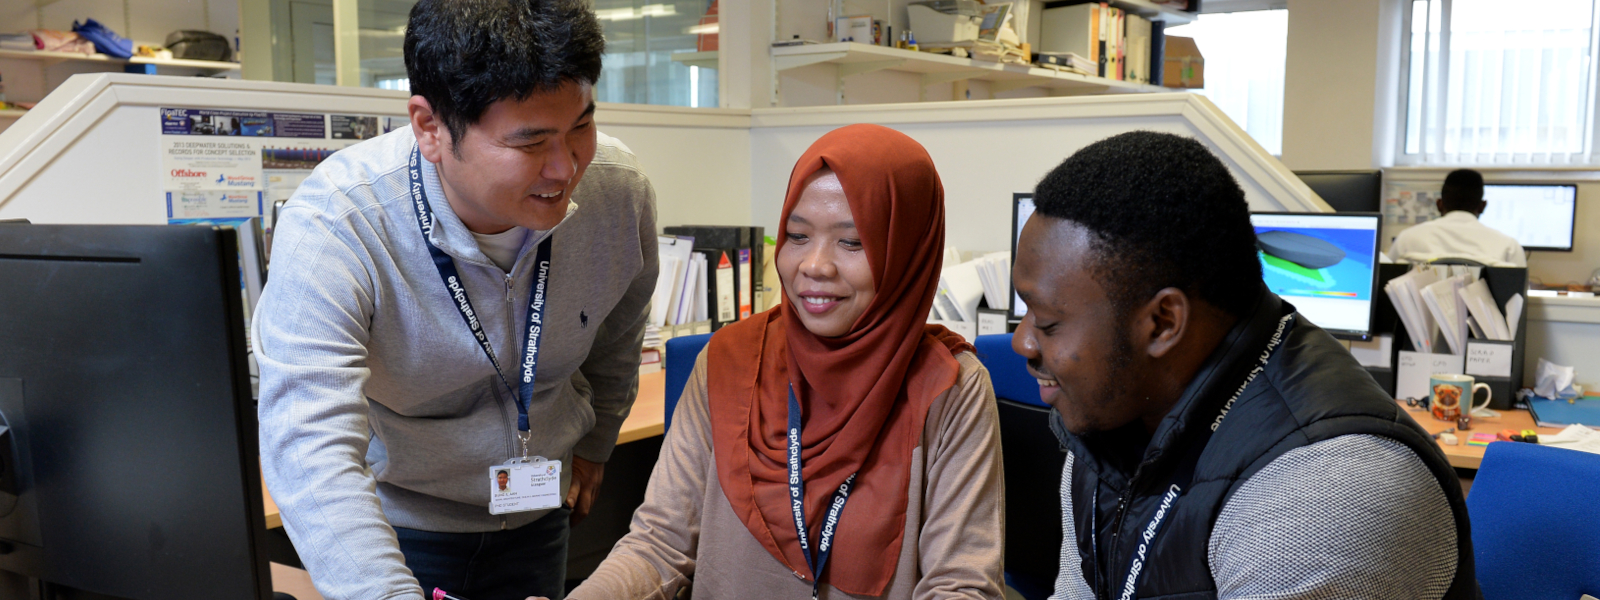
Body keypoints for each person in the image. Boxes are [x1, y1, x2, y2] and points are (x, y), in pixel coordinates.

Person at [253, 0, 657, 598]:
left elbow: (620, 328)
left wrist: (597, 445)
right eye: (530, 142)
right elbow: (309, 444)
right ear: (429, 127)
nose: (565, 167)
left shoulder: (618, 193)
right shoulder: (340, 221)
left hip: (540, 510)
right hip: (395, 525)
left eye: (581, 126)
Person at [1011, 131, 1480, 600]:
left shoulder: (1325, 488)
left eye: (1048, 322)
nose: (1021, 342)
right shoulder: (1105, 419)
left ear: (1163, 322)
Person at [558, 124, 1005, 600]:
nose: (815, 265)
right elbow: (659, 546)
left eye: (852, 243)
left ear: (906, 251)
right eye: (797, 235)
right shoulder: (728, 361)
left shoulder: (950, 388)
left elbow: (962, 587)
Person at [1389, 168, 1526, 266]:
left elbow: (1385, 283)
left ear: (1439, 204)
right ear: (1483, 206)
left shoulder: (1406, 239)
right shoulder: (1509, 247)